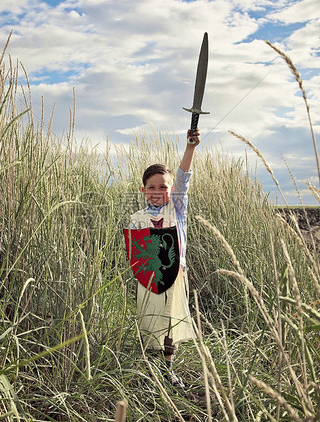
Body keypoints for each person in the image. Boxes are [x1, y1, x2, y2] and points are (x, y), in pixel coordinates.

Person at [128, 128, 200, 389]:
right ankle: (149, 371)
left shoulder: (177, 209)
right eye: (152, 187)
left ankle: (168, 370)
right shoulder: (138, 218)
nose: (157, 191)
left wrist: (190, 148)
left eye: (163, 186)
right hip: (149, 278)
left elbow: (184, 180)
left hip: (175, 276)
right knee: (149, 322)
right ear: (144, 190)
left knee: (171, 325)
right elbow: (137, 253)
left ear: (171, 191)